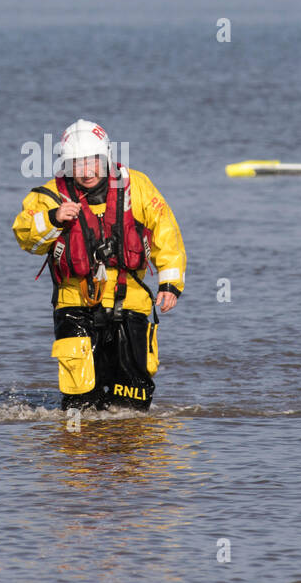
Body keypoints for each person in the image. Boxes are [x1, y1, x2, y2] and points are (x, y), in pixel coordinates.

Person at [12, 119, 185, 412]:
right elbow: (26, 238)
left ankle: (129, 451)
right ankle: (82, 452)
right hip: (74, 303)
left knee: (132, 401)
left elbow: (166, 232)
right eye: (77, 163)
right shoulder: (47, 196)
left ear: (105, 157)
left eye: (93, 161)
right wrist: (53, 219)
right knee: (80, 400)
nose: (87, 170)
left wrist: (170, 283)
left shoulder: (138, 186)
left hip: (130, 300)